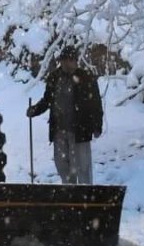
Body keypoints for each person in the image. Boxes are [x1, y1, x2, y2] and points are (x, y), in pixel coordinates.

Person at [26, 46, 103, 184]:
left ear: (75, 61)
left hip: (80, 130)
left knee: (82, 167)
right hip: (59, 130)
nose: (67, 63)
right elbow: (47, 99)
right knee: (62, 165)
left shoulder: (86, 78)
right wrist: (35, 110)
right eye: (64, 60)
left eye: (70, 60)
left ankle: (86, 197)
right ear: (60, 61)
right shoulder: (54, 78)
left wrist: (97, 125)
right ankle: (69, 194)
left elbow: (95, 104)